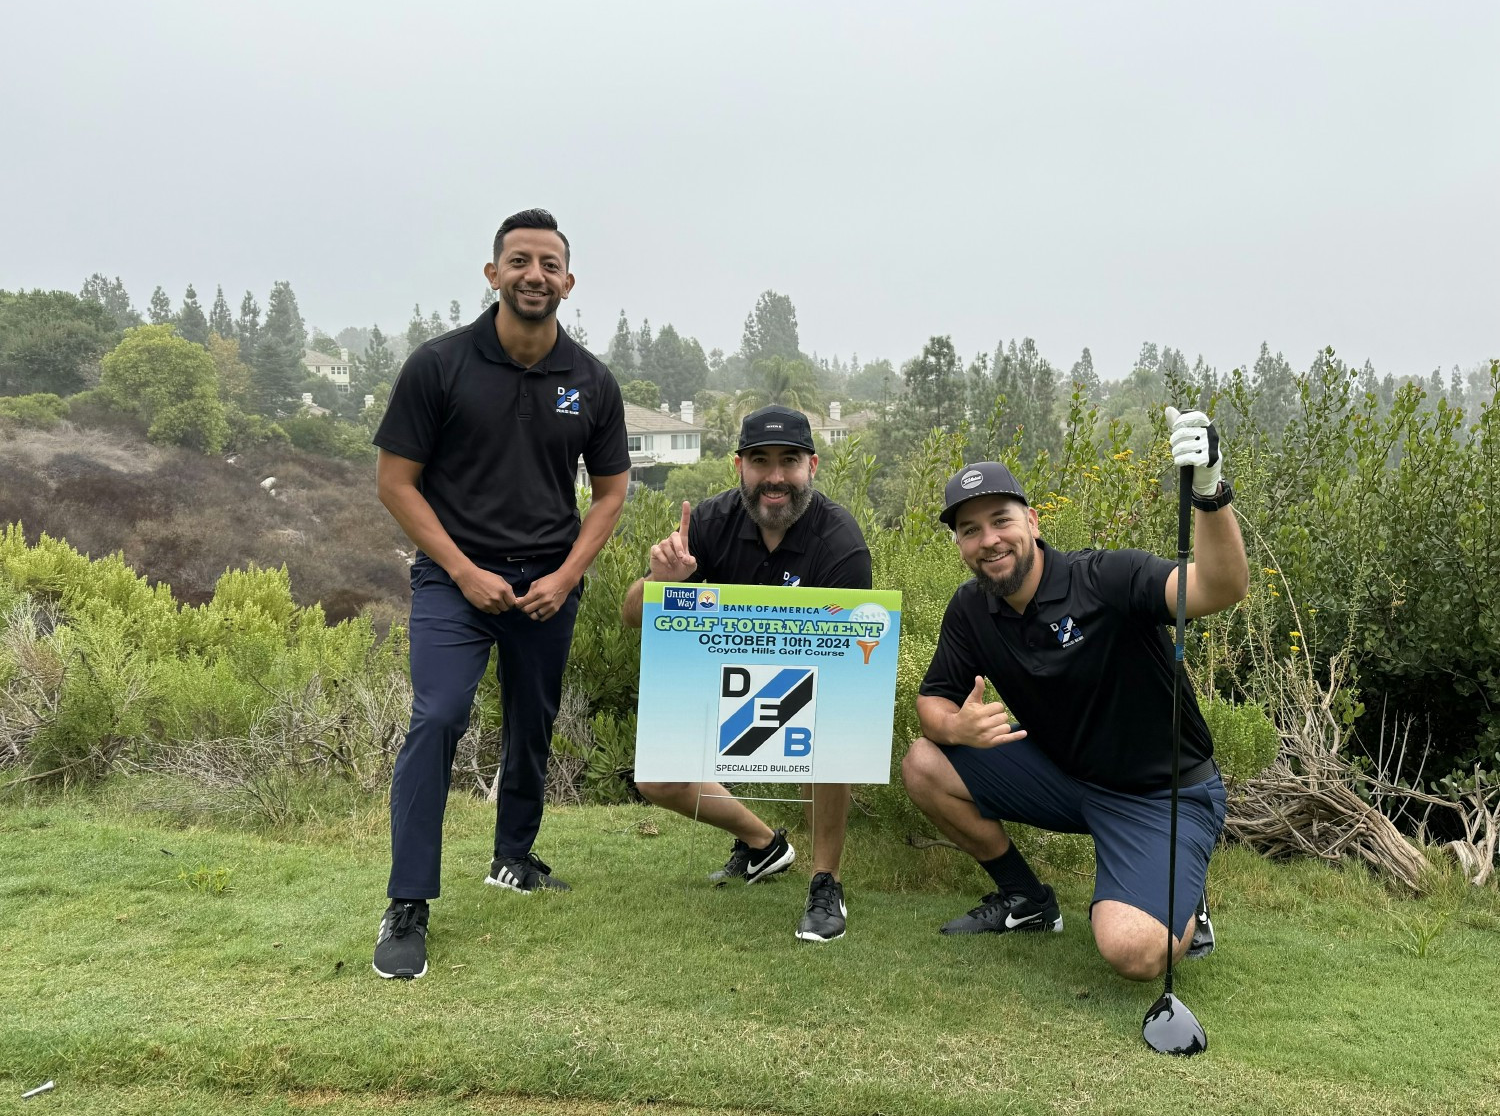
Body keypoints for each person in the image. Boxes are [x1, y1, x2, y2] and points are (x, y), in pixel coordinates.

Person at [370, 208, 630, 979]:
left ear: (568, 282)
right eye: (519, 261)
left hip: (548, 579)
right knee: (440, 714)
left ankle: (513, 856)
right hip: (456, 578)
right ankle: (408, 901)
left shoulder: (590, 381)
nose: (534, 275)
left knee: (532, 719)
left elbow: (611, 492)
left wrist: (565, 575)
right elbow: (395, 482)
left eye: (549, 264)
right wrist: (462, 570)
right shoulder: (440, 365)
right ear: (492, 274)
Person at [902, 408, 1248, 980]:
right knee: (923, 761)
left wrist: (1209, 491)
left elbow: (1220, 586)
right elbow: (932, 702)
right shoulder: (970, 609)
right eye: (969, 530)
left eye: (1000, 520)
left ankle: (1186, 897)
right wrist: (954, 728)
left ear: (1033, 521)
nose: (988, 541)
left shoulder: (1105, 579)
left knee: (1133, 952)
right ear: (959, 543)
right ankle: (1027, 901)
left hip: (1163, 794)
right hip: (1068, 780)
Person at [622, 406, 872, 942]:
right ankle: (765, 844)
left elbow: (850, 669)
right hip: (720, 675)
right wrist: (661, 584)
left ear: (813, 466)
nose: (776, 476)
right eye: (761, 461)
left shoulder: (841, 541)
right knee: (655, 778)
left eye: (790, 461)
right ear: (739, 466)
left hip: (809, 685)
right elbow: (633, 618)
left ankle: (825, 879)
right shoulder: (709, 522)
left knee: (837, 729)